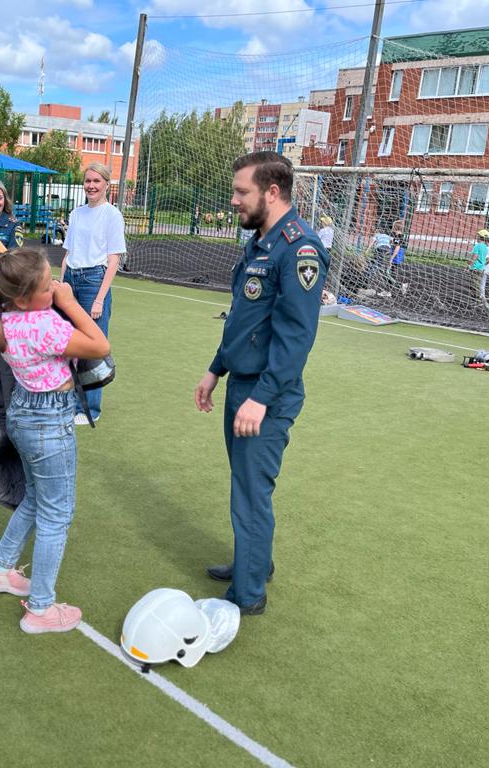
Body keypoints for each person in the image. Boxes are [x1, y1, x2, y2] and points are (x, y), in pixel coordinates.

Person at [195, 151, 329, 616]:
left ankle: (247, 595)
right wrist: (216, 369)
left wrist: (262, 398)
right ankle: (254, 562)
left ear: (272, 192)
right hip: (242, 384)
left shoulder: (299, 248)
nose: (234, 200)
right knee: (245, 485)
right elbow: (244, 317)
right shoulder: (261, 242)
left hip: (266, 394)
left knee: (251, 493)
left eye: (242, 192)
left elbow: (296, 337)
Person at [0, 247, 110, 634]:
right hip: (49, 421)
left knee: (36, 498)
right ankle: (40, 608)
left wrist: (48, 291)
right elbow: (100, 346)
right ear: (24, 298)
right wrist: (69, 303)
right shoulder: (43, 325)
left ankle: (1, 569)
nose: (54, 287)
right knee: (57, 514)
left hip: (22, 412)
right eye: (46, 285)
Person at [60, 162, 126, 425]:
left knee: (93, 346)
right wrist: (61, 286)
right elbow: (68, 254)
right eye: (88, 181)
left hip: (93, 282)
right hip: (72, 279)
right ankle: (69, 402)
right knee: (69, 343)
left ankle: (90, 409)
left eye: (96, 181)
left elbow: (113, 260)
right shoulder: (76, 214)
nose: (91, 186)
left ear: (106, 184)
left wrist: (99, 298)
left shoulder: (112, 215)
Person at [469, 229, 489, 300]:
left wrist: (469, 265)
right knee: (477, 284)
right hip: (481, 269)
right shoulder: (485, 247)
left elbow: (474, 257)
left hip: (475, 268)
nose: (477, 237)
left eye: (478, 235)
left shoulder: (477, 246)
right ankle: (476, 299)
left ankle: (476, 299)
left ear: (480, 237)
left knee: (474, 285)